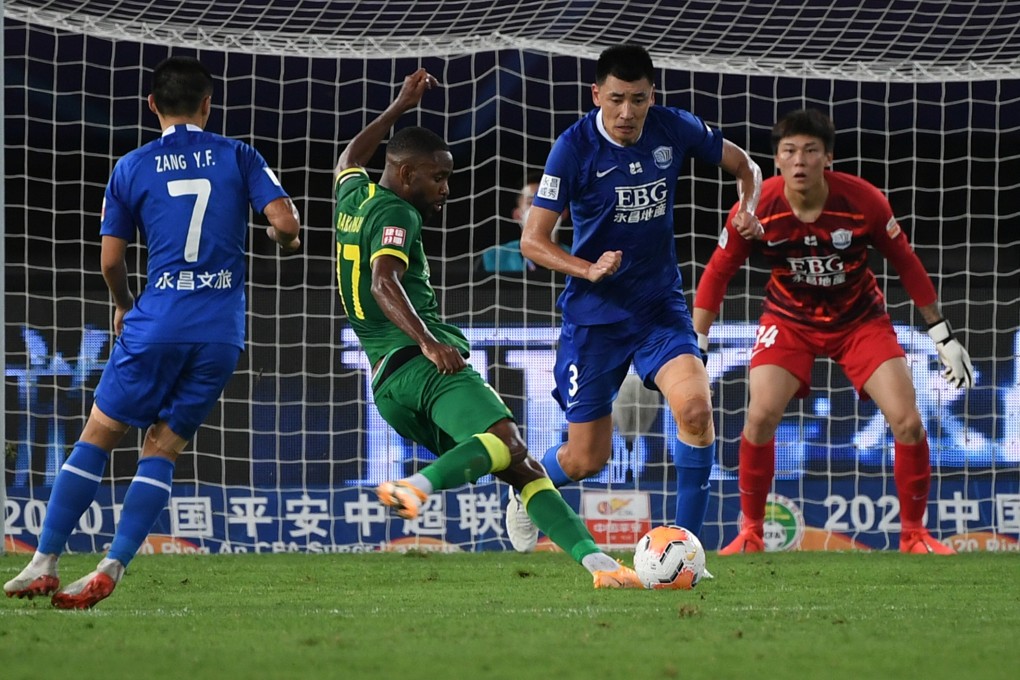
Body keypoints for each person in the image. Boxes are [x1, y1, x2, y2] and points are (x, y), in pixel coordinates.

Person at [3, 56, 302, 608]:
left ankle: (44, 562)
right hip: (220, 334)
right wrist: (283, 240)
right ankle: (113, 564)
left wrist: (124, 306)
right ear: (208, 105)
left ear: (152, 105)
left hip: (157, 321)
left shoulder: (132, 166)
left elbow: (110, 261)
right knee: (162, 447)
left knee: (98, 435)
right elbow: (285, 224)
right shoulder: (239, 155)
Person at [333, 68, 642, 589]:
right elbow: (384, 281)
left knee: (519, 467)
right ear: (406, 174)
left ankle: (603, 568)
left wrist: (400, 105)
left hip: (387, 386)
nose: (445, 189)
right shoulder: (397, 214)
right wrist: (429, 342)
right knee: (507, 439)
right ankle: (415, 487)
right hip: (422, 365)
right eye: (437, 177)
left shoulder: (353, 198)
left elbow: (349, 158)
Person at [505, 44, 763, 553]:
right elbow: (532, 241)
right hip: (595, 317)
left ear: (652, 96)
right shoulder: (573, 148)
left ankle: (686, 553)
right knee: (586, 459)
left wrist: (747, 208)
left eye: (639, 100)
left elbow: (746, 167)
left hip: (658, 307)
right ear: (596, 94)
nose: (627, 112)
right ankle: (526, 486)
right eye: (617, 99)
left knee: (696, 413)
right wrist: (587, 269)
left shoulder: (674, 127)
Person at [693, 108, 973, 555]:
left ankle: (914, 535)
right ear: (776, 161)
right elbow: (717, 272)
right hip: (788, 320)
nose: (799, 160)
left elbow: (906, 263)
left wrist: (941, 335)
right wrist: (698, 343)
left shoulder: (863, 201)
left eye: (810, 151)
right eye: (789, 151)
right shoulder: (756, 207)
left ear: (828, 158)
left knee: (908, 422)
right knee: (759, 417)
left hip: (860, 320)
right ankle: (751, 533)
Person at [478, 171, 568, 275]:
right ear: (518, 216)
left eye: (549, 202)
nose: (541, 210)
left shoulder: (576, 258)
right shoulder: (492, 259)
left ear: (563, 213)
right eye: (531, 202)